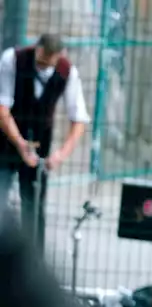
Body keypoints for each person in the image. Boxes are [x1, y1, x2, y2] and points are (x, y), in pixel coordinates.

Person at [0, 34, 89, 250]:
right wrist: (20, 143)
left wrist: (60, 154)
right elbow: (2, 108)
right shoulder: (13, 59)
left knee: (34, 204)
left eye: (48, 63)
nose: (42, 67)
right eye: (40, 61)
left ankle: (32, 262)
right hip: (6, 137)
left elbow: (79, 119)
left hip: (40, 139)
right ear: (36, 49)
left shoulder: (68, 73)